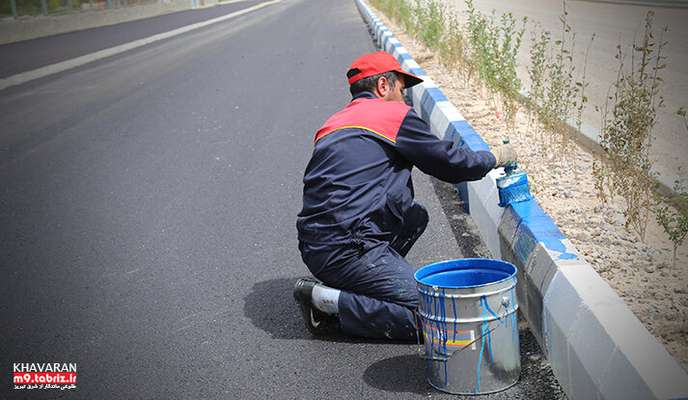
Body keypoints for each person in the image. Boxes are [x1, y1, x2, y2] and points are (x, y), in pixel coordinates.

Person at [293, 51, 516, 340]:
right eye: (402, 89)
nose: (405, 98)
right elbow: (452, 164)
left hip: (315, 245)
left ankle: (370, 283)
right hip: (348, 248)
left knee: (414, 216)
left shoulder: (332, 124)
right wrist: (494, 157)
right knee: (435, 318)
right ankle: (328, 304)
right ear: (383, 86)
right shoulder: (392, 115)